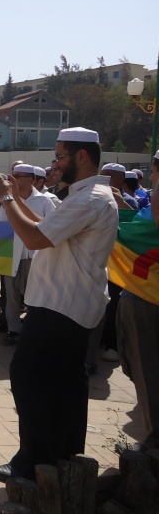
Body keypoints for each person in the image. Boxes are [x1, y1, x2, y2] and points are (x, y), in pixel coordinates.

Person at [0, 127, 118, 483]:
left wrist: (6, 200)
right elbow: (46, 226)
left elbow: (33, 236)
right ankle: (61, 455)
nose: (55, 163)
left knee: (30, 377)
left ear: (82, 156)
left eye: (60, 156)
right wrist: (15, 197)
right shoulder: (84, 196)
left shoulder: (90, 199)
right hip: (67, 303)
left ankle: (33, 462)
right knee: (64, 383)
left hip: (62, 305)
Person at [116, 151, 159, 451]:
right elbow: (141, 219)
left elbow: (151, 222)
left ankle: (155, 440)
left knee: (145, 367)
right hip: (143, 287)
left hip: (146, 292)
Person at [0, 164, 56, 346]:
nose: (12, 179)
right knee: (11, 295)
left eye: (17, 176)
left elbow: (51, 227)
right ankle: (13, 330)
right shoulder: (6, 201)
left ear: (30, 180)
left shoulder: (44, 201)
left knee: (35, 296)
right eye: (11, 175)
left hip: (36, 256)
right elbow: (0, 226)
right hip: (12, 255)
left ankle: (32, 331)